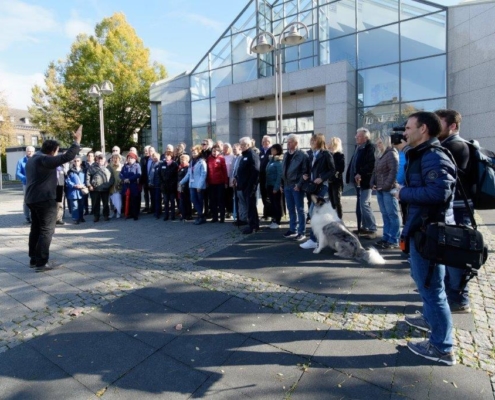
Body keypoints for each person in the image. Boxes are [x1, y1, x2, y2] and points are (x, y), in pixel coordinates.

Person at [397, 111, 456, 365]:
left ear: (423, 130)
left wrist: (404, 193)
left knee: (433, 290)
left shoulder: (433, 155)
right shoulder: (422, 154)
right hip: (421, 229)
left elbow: (440, 192)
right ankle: (431, 323)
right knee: (428, 286)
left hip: (428, 233)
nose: (404, 132)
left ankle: (442, 348)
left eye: (409, 128)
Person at [25, 125, 82, 271]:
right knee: (46, 230)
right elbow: (67, 157)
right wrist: (76, 142)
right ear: (52, 151)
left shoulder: (33, 158)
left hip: (32, 198)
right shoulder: (44, 159)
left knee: (36, 228)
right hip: (44, 200)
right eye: (56, 151)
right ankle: (42, 263)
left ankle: (34, 259)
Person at [435, 109, 475, 314]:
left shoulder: (455, 146)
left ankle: (460, 298)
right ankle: (452, 292)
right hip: (455, 208)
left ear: (452, 126)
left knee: (457, 254)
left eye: (439, 122)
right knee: (450, 253)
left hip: (458, 209)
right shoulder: (447, 145)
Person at [300, 133, 336, 249]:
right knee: (314, 212)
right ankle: (321, 236)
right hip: (312, 186)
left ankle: (313, 239)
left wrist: (322, 178)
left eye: (314, 140)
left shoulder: (326, 154)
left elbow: (332, 170)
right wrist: (305, 175)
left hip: (321, 186)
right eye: (311, 140)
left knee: (313, 211)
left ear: (319, 141)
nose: (312, 142)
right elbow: (308, 169)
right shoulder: (310, 154)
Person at [346, 128, 377, 239]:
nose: (356, 137)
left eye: (358, 136)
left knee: (364, 204)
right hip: (357, 181)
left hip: (365, 181)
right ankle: (365, 227)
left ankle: (372, 228)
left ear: (365, 138)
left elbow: (371, 164)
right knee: (361, 204)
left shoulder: (370, 147)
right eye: (356, 135)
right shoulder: (358, 148)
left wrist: (361, 173)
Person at [370, 135, 400, 249]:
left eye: (380, 143)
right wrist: (372, 183)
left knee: (392, 214)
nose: (378, 145)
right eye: (377, 143)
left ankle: (394, 239)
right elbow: (375, 171)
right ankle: (386, 237)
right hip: (380, 189)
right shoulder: (380, 155)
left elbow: (394, 171)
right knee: (385, 214)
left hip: (388, 189)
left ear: (386, 142)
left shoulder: (391, 154)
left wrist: (386, 186)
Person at [281, 133, 310, 241]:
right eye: (287, 142)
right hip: (287, 185)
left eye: (290, 142)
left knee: (300, 209)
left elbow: (305, 172)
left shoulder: (302, 155)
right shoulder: (286, 154)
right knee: (290, 209)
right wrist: (281, 184)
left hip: (296, 186)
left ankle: (301, 231)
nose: (288, 144)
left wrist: (299, 185)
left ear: (296, 143)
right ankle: (292, 229)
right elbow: (283, 170)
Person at [234, 137, 260, 234]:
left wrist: (252, 186)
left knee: (251, 207)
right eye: (240, 145)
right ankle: (252, 224)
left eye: (242, 145)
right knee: (249, 206)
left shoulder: (252, 155)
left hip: (249, 186)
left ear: (248, 145)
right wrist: (236, 178)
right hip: (243, 186)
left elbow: (255, 171)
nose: (240, 147)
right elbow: (242, 170)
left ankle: (253, 226)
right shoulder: (244, 155)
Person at [180, 145, 207, 225]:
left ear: (199, 152)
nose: (193, 153)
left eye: (195, 152)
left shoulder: (202, 162)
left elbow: (203, 174)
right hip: (192, 185)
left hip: (199, 186)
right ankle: (201, 215)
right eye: (192, 152)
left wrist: (199, 185)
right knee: (193, 200)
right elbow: (188, 174)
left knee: (200, 201)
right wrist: (181, 182)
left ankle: (201, 216)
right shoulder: (192, 162)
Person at [87, 153, 113, 222]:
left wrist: (108, 185)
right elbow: (87, 177)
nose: (100, 160)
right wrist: (89, 185)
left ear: (104, 159)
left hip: (105, 189)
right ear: (97, 159)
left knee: (105, 203)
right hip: (95, 189)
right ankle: (96, 216)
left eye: (102, 158)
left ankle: (106, 215)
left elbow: (112, 178)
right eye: (99, 158)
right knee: (95, 203)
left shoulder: (108, 167)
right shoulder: (92, 167)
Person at [207, 144, 228, 223]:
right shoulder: (208, 159)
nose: (215, 153)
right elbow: (207, 171)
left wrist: (226, 182)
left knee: (220, 200)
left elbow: (224, 171)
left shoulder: (221, 159)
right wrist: (206, 181)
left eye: (216, 151)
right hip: (211, 183)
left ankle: (222, 217)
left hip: (220, 183)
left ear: (219, 152)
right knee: (212, 201)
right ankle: (214, 217)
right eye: (213, 151)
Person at [265, 143, 283, 229]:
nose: (272, 151)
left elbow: (280, 175)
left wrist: (276, 187)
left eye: (273, 150)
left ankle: (278, 220)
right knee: (272, 203)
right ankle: (274, 219)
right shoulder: (271, 160)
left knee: (276, 204)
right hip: (269, 185)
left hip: (275, 186)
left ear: (278, 150)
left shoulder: (279, 160)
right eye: (271, 150)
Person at [16, 146, 35, 223]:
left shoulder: (37, 160)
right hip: (26, 183)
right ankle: (27, 216)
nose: (30, 152)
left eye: (31, 151)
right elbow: (18, 173)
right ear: (26, 152)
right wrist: (25, 178)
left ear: (34, 152)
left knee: (36, 200)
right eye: (28, 151)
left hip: (36, 183)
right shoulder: (21, 161)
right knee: (27, 200)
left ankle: (34, 216)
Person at [120, 152, 142, 220]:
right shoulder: (125, 166)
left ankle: (135, 214)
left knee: (134, 200)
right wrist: (124, 179)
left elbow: (138, 174)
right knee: (127, 200)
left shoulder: (137, 165)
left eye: (131, 158)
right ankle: (128, 213)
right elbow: (120, 174)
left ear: (135, 159)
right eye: (128, 158)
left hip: (133, 185)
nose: (130, 159)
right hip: (126, 185)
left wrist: (129, 179)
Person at [65, 156, 86, 224]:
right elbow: (67, 181)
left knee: (81, 205)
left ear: (80, 162)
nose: (76, 162)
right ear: (73, 162)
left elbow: (86, 179)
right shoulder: (70, 171)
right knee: (74, 206)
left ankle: (81, 217)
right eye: (75, 161)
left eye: (78, 161)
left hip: (81, 190)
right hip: (73, 191)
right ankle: (75, 218)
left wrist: (83, 185)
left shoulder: (83, 170)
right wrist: (74, 185)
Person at [328, 137, 345, 219]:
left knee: (336, 200)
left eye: (332, 144)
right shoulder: (329, 155)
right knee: (331, 200)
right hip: (329, 180)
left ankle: (339, 217)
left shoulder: (340, 155)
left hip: (337, 181)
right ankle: (333, 217)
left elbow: (341, 168)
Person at [159, 151, 178, 221]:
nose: (166, 156)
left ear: (171, 156)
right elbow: (159, 175)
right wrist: (162, 183)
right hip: (164, 186)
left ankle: (172, 215)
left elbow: (176, 176)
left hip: (172, 186)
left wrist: (172, 183)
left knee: (172, 202)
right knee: (166, 201)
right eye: (165, 155)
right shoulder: (162, 164)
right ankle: (166, 215)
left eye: (168, 155)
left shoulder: (174, 164)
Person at [259, 135, 272, 220]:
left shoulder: (272, 151)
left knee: (269, 197)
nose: (264, 143)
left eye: (266, 141)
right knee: (263, 196)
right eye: (263, 141)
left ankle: (269, 214)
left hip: (270, 178)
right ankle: (265, 214)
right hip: (262, 178)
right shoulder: (261, 152)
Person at [177, 154, 192, 221]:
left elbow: (187, 178)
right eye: (181, 159)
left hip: (186, 187)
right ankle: (183, 214)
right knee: (181, 201)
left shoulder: (188, 168)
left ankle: (188, 214)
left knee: (187, 201)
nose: (182, 161)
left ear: (187, 160)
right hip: (180, 186)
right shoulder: (180, 167)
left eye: (183, 159)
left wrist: (183, 187)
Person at [108, 153, 123, 218]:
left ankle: (118, 212)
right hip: (111, 186)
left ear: (119, 159)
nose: (115, 159)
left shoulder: (122, 166)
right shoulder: (109, 166)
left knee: (118, 199)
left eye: (117, 158)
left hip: (119, 185)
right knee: (111, 200)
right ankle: (112, 212)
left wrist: (121, 182)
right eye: (114, 158)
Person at [139, 146, 153, 213]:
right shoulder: (142, 158)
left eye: (147, 150)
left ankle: (152, 206)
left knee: (151, 193)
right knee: (145, 194)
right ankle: (147, 206)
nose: (146, 151)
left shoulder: (152, 158)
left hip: (150, 179)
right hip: (144, 179)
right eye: (145, 150)